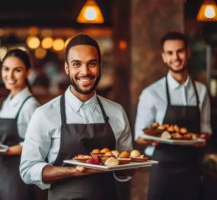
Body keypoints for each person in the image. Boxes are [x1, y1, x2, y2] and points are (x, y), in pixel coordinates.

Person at [20, 33, 133, 200]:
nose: (85, 71)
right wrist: (72, 171)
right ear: (67, 68)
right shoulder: (45, 114)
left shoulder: (116, 112)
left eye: (92, 64)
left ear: (100, 65)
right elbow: (28, 169)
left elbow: (125, 165)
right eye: (76, 64)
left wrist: (129, 166)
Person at [134, 31, 212, 200]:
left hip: (192, 168)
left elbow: (205, 128)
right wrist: (152, 138)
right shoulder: (151, 93)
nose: (175, 57)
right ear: (163, 57)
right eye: (170, 53)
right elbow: (139, 136)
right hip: (163, 169)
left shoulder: (201, 91)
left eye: (180, 51)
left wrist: (202, 138)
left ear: (188, 53)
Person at [0, 49, 40, 200]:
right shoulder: (8, 100)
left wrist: (4, 151)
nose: (9, 76)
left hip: (16, 178)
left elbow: (35, 145)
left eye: (17, 70)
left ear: (28, 72)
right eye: (6, 69)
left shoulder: (30, 105)